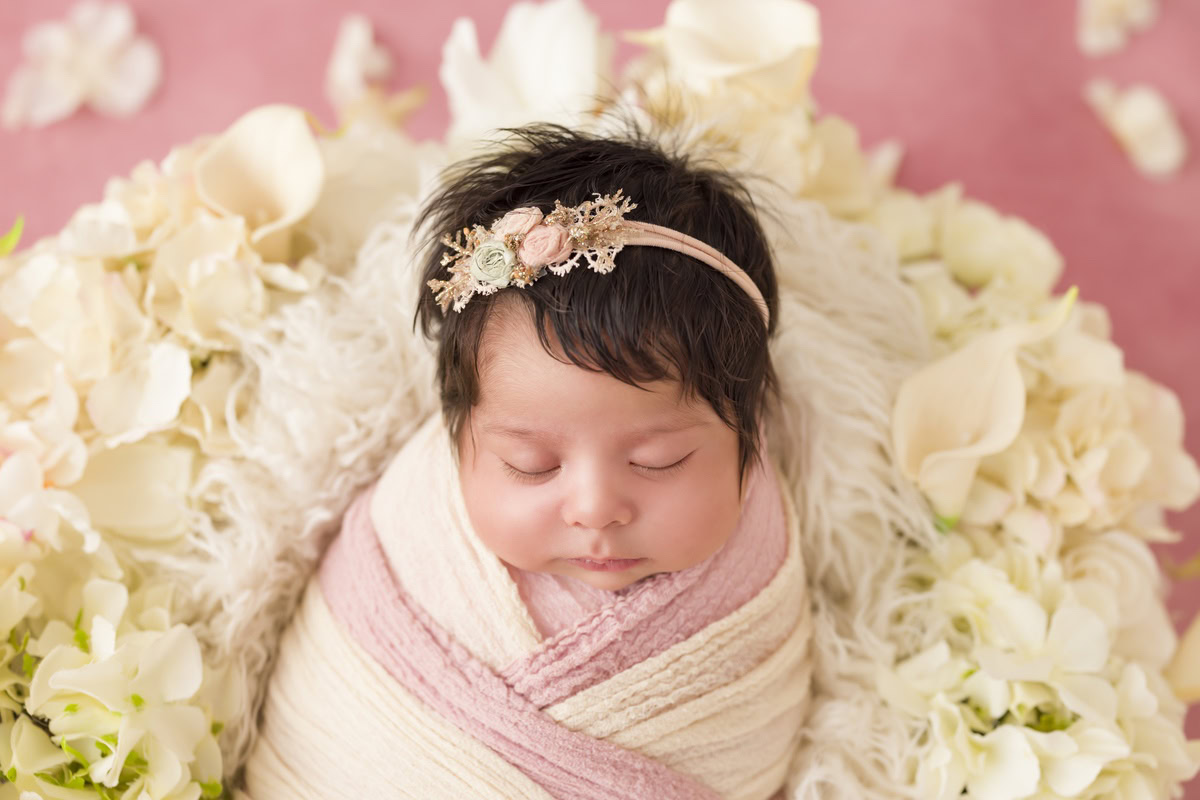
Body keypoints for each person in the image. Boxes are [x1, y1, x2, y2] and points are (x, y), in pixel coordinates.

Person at [240, 121, 813, 800]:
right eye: (532, 464)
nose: (595, 507)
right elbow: (326, 723)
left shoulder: (750, 588)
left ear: (750, 432)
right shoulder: (414, 534)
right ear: (457, 440)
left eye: (659, 460)